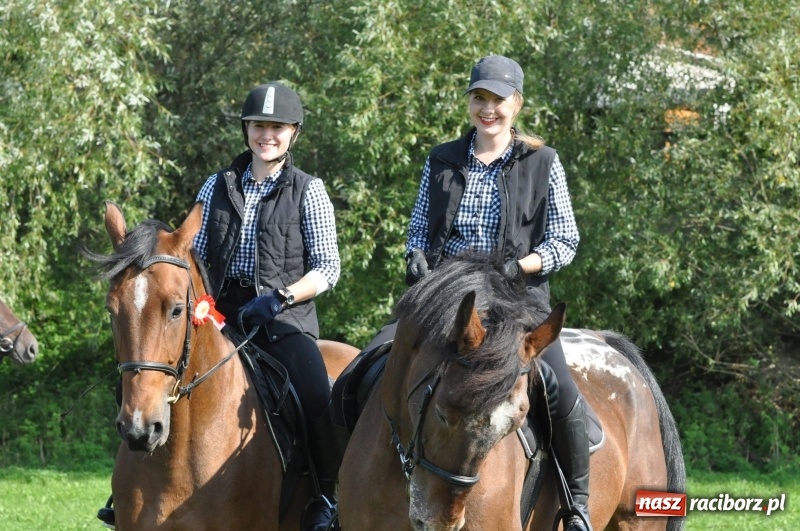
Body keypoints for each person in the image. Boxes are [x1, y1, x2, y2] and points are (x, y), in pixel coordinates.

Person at [97, 81, 341, 531]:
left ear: (293, 132)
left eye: (277, 127)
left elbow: (328, 267)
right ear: (246, 130)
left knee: (315, 394)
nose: (266, 135)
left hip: (282, 319)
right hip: (218, 314)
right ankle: (128, 488)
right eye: (258, 126)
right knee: (140, 372)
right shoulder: (217, 186)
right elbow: (193, 255)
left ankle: (326, 498)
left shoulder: (309, 190)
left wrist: (281, 296)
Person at [406, 55, 590, 531]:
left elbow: (565, 241)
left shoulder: (543, 162)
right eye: (479, 98)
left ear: (517, 104)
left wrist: (519, 265)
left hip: (516, 303)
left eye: (498, 100)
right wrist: (416, 257)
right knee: (366, 369)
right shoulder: (441, 159)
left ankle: (577, 506)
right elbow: (419, 229)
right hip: (448, 302)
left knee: (559, 388)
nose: (488, 109)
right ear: (469, 102)